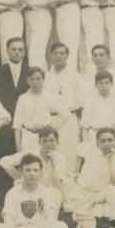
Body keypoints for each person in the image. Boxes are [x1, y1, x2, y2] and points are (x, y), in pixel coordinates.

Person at [0, 154, 70, 228]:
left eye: (35, 170)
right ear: (21, 171)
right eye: (28, 170)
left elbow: (51, 217)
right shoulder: (12, 193)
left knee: (62, 226)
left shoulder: (46, 192)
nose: (32, 173)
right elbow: (8, 218)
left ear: (41, 172)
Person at [0, 36, 30, 204]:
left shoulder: (31, 73)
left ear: (24, 52)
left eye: (20, 49)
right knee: (3, 168)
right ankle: (5, 204)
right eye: (13, 49)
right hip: (2, 131)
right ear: (7, 51)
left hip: (25, 131)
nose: (17, 52)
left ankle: (24, 203)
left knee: (24, 167)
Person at [71, 129, 115, 228]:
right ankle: (78, 216)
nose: (107, 143)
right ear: (97, 143)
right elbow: (77, 150)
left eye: (110, 140)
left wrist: (110, 161)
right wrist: (75, 171)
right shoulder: (89, 149)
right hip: (83, 193)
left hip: (102, 193)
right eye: (103, 140)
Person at [0, 128, 71, 204]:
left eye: (52, 141)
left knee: (56, 194)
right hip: (29, 191)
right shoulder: (31, 154)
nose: (48, 144)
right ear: (39, 142)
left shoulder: (60, 158)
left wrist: (53, 163)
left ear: (57, 142)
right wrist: (19, 176)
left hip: (47, 194)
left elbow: (57, 185)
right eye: (45, 141)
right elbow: (4, 162)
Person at [44, 42, 84, 170]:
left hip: (68, 119)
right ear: (50, 55)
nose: (58, 56)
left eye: (61, 53)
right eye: (55, 53)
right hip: (49, 119)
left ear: (67, 56)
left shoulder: (76, 77)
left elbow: (81, 101)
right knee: (50, 154)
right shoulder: (45, 77)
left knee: (69, 153)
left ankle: (69, 181)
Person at [12, 67, 67, 154]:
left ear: (43, 80)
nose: (35, 82)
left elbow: (65, 113)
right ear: (28, 81)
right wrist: (18, 147)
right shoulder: (23, 98)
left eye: (38, 79)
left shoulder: (48, 96)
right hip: (28, 138)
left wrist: (52, 126)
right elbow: (17, 125)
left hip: (44, 138)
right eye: (32, 79)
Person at [80, 70, 115, 144]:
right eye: (101, 83)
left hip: (111, 137)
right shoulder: (90, 102)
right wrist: (85, 144)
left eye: (107, 83)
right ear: (96, 85)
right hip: (94, 136)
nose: (104, 86)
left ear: (111, 84)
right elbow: (85, 126)